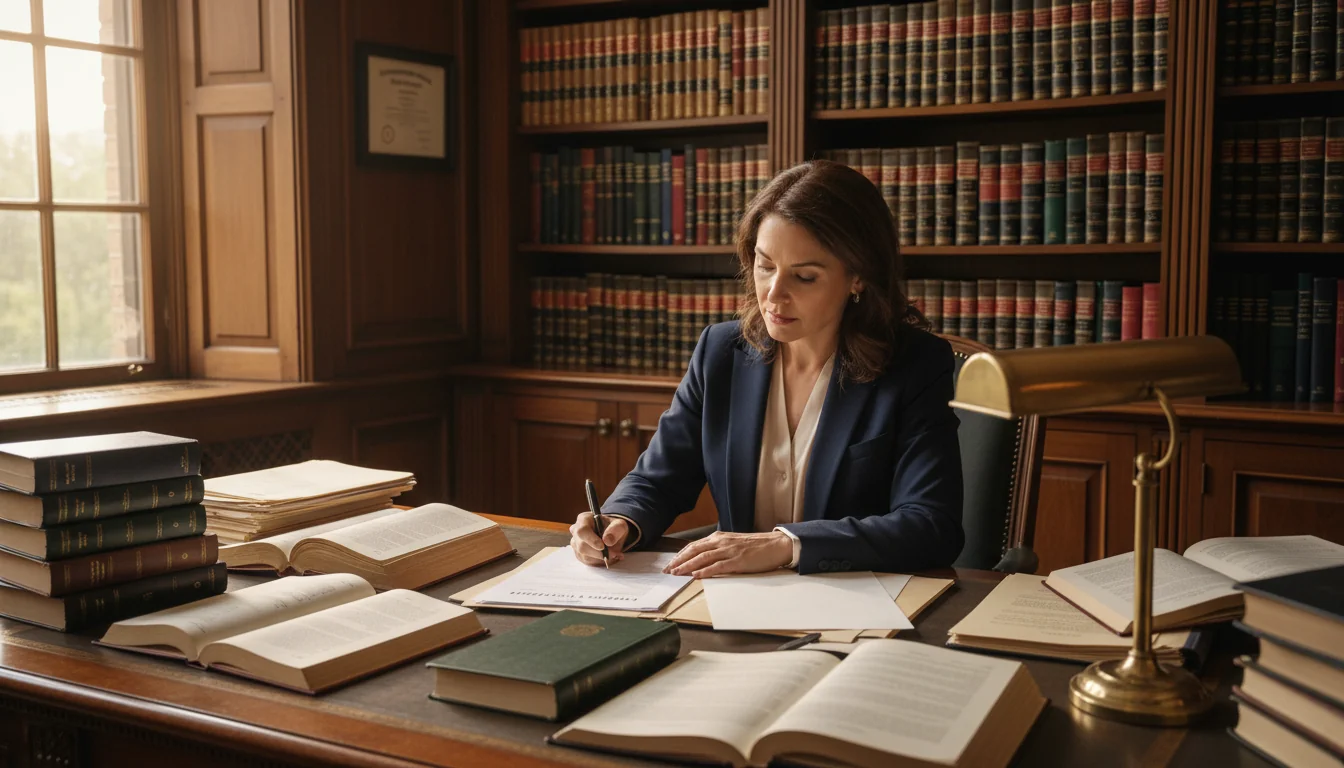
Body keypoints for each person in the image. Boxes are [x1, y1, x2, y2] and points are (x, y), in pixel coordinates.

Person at [568, 159, 964, 578]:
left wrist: (786, 545)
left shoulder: (914, 366)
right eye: (765, 265)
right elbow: (658, 480)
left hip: (852, 602)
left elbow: (931, 525)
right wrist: (618, 522)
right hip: (731, 602)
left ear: (858, 278)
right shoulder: (721, 352)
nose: (774, 294)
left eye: (805, 276)